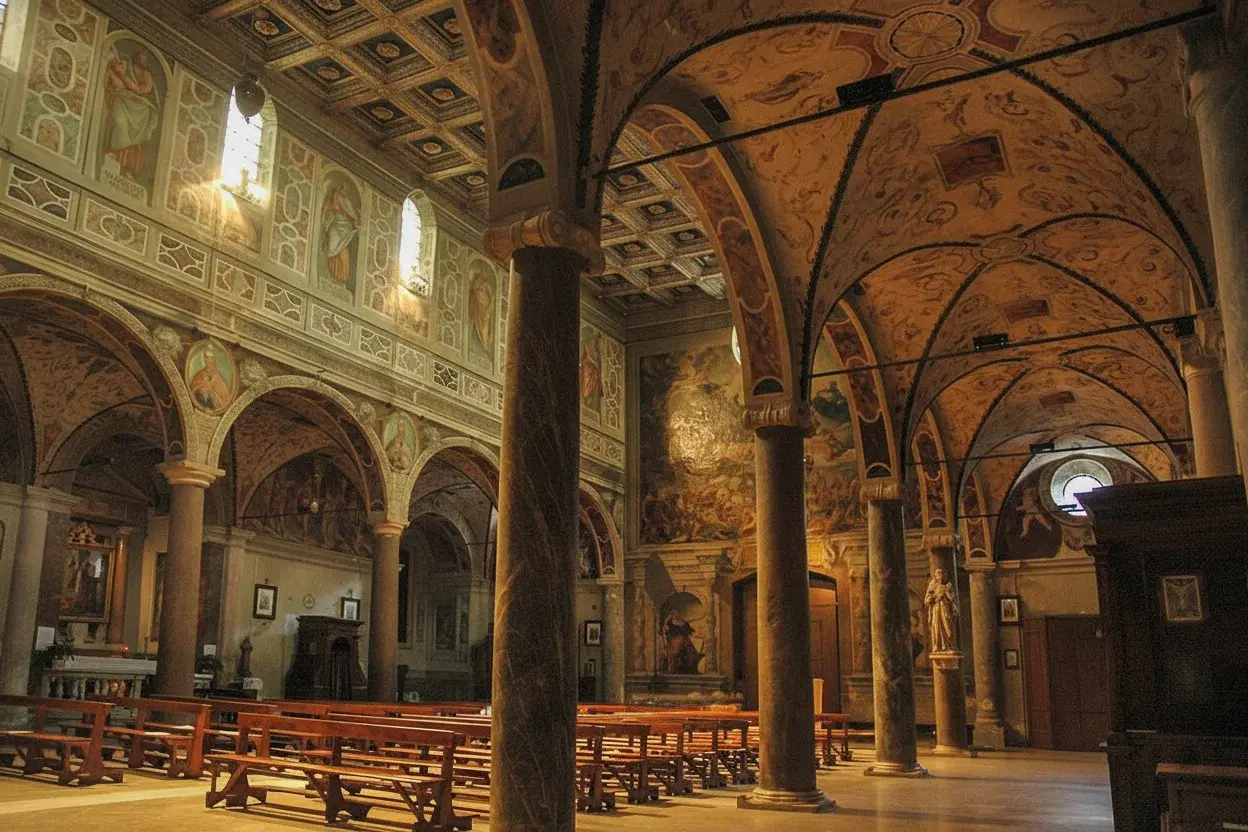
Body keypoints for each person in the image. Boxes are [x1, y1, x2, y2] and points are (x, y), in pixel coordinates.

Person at [103, 48, 160, 180]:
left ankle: (129, 168)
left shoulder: (146, 75)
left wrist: (123, 75)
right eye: (139, 57)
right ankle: (114, 155)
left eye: (144, 59)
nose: (141, 60)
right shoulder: (126, 66)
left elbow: (140, 90)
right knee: (120, 124)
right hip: (124, 100)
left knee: (135, 139)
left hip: (139, 109)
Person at [321, 182, 359, 285]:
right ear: (340, 188)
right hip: (335, 225)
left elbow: (352, 216)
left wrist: (353, 222)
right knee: (332, 248)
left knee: (344, 253)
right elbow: (331, 210)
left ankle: (341, 278)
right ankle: (330, 274)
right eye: (343, 189)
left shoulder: (347, 202)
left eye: (346, 190)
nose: (345, 192)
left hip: (346, 230)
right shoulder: (334, 197)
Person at [925, 568, 959, 653]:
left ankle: (949, 645)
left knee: (948, 627)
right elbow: (927, 600)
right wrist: (935, 596)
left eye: (941, 574)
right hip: (936, 609)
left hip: (946, 609)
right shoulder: (932, 586)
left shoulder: (948, 586)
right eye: (937, 575)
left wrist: (946, 594)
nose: (940, 577)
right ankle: (939, 646)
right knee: (937, 627)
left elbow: (953, 599)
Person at [189, 346, 232, 411]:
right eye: (207, 360)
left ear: (214, 362)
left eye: (211, 361)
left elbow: (225, 399)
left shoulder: (218, 378)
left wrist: (213, 393)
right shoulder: (199, 374)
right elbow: (193, 389)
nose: (209, 363)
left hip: (213, 405)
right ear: (205, 361)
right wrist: (202, 388)